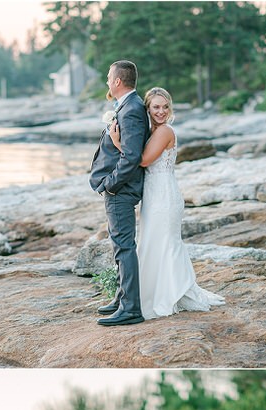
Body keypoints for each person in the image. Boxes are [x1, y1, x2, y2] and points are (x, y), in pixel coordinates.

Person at [109, 87, 225, 320]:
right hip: (154, 194)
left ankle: (168, 294)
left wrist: (117, 141)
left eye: (165, 107)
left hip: (164, 195)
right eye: (156, 107)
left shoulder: (165, 131)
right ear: (148, 109)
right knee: (152, 242)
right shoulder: (154, 131)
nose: (161, 111)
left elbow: (142, 160)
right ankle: (147, 293)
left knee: (164, 243)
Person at [89, 60, 150, 327]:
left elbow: (132, 156)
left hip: (121, 190)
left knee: (124, 247)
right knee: (119, 246)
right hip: (119, 188)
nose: (106, 81)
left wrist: (111, 184)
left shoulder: (132, 108)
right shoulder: (127, 105)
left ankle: (131, 308)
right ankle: (122, 297)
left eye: (107, 77)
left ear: (117, 81)